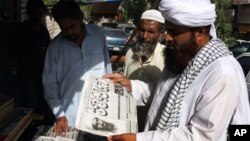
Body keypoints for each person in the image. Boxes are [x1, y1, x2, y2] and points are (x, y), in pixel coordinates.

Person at [104, 0, 250, 141]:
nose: (167, 37)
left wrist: (139, 139)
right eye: (167, 30)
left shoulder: (221, 73)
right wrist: (130, 85)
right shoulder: (183, 55)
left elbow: (201, 136)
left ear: (200, 32)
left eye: (174, 32)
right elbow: (162, 91)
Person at [42, 1, 112, 135]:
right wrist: (60, 114)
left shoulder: (98, 36)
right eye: (64, 29)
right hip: (69, 118)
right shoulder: (55, 48)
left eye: (72, 26)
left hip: (99, 117)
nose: (69, 32)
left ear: (80, 18)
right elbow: (49, 85)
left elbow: (107, 71)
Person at [15, 0, 50, 114]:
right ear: (29, 13)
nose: (39, 16)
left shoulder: (43, 31)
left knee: (43, 101)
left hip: (42, 73)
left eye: (40, 13)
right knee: (31, 104)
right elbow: (16, 50)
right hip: (27, 73)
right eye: (36, 13)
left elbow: (49, 50)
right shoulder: (22, 29)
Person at [124, 9, 165, 83]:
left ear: (160, 34)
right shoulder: (130, 53)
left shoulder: (165, 57)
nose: (144, 36)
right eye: (142, 30)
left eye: (150, 32)